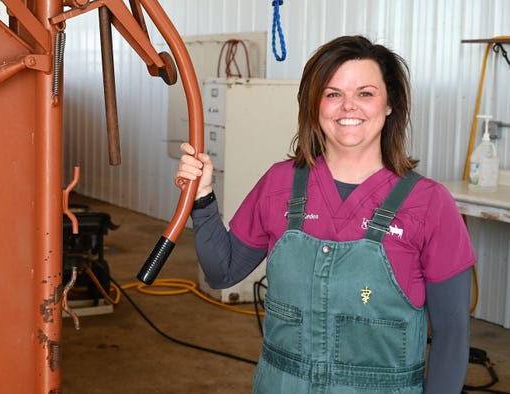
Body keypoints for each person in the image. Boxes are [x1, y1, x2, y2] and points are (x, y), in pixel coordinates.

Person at [176, 35, 476, 393]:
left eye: (365, 93)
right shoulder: (280, 183)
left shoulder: (429, 203)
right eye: (333, 94)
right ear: (314, 104)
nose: (349, 107)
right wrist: (203, 196)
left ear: (390, 104)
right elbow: (221, 272)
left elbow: (452, 333)